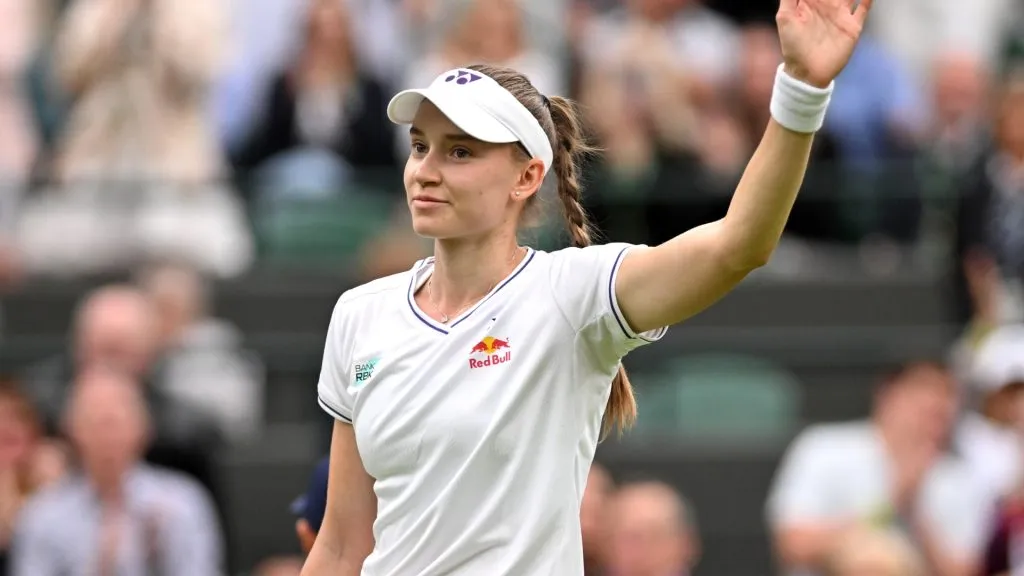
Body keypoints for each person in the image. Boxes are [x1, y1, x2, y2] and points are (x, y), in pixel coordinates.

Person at [303, 0, 871, 574]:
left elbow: (740, 244)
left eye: (460, 151)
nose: (426, 169)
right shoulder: (360, 313)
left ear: (527, 177)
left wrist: (801, 88)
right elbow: (342, 544)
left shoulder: (572, 294)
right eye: (420, 145)